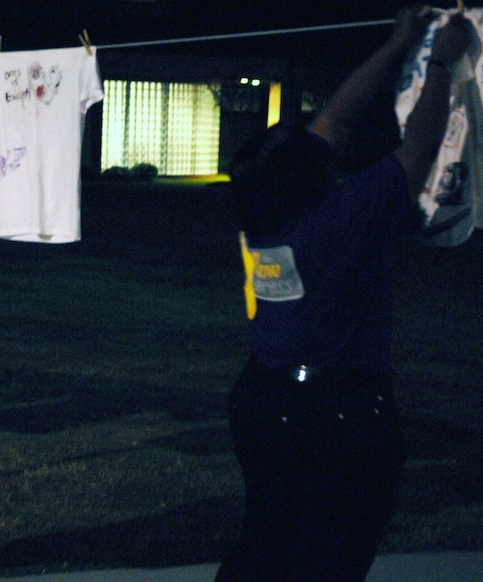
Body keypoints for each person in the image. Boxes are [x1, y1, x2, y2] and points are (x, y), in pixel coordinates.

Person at [217, 7, 472, 582]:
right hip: (334, 418)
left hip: (265, 401)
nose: (324, 145)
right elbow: (422, 145)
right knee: (333, 555)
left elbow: (330, 124)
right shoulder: (338, 219)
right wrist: (437, 61)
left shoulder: (262, 213)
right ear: (307, 178)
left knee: (266, 542)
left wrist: (396, 42)